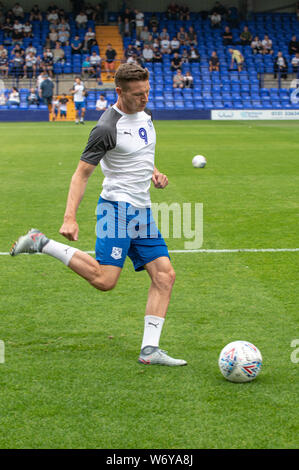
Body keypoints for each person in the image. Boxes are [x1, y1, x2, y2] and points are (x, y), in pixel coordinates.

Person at [10, 63, 187, 368]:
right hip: (115, 210)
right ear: (119, 92)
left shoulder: (146, 114)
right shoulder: (106, 127)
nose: (144, 98)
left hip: (142, 211)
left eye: (147, 91)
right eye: (137, 94)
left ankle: (150, 350)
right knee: (105, 280)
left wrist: (155, 173)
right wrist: (70, 217)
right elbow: (81, 174)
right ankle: (42, 242)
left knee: (164, 276)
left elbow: (142, 153)